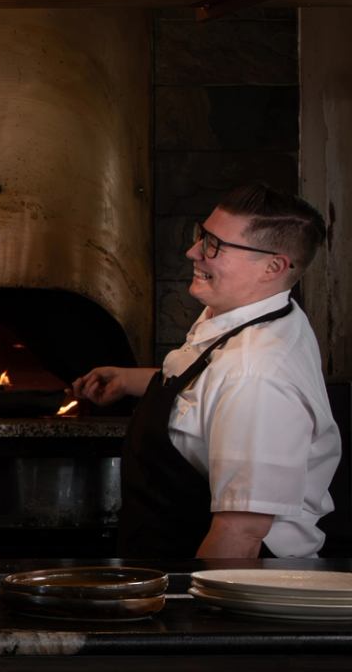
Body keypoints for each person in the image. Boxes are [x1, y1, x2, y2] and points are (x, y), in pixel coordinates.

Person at [73, 185, 339, 558]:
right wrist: (129, 379)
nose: (193, 252)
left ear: (273, 267)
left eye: (215, 245)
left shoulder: (256, 376)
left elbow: (239, 536)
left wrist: (199, 614)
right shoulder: (246, 312)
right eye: (203, 235)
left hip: (214, 585)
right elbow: (208, 388)